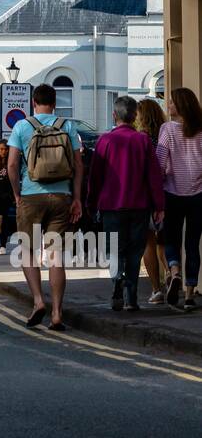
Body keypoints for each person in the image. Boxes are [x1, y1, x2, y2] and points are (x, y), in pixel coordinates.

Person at [7, 83, 84, 331]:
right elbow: (79, 165)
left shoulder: (22, 126)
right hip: (61, 196)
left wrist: (17, 194)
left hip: (31, 196)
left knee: (28, 251)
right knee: (55, 256)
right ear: (55, 103)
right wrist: (77, 198)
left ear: (33, 103)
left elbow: (11, 165)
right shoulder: (67, 126)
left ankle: (38, 301)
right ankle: (57, 314)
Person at [86, 96, 165, 312]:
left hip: (111, 206)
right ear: (134, 116)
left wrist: (91, 204)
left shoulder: (105, 141)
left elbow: (95, 177)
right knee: (134, 251)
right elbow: (154, 176)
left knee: (115, 251)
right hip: (139, 206)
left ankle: (117, 283)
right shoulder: (143, 141)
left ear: (115, 115)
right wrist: (159, 206)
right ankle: (131, 298)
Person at [156, 87, 202, 311]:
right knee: (193, 243)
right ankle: (191, 293)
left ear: (181, 106)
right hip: (198, 195)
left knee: (171, 239)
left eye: (172, 102)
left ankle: (175, 272)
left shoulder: (167, 130)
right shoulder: (200, 129)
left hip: (172, 193)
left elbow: (160, 164)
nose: (169, 105)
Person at [136, 97, 168, 303]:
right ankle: (173, 274)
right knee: (165, 241)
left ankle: (157, 289)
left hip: (147, 196)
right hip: (169, 192)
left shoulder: (141, 139)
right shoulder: (166, 135)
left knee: (148, 242)